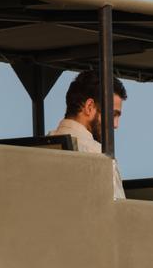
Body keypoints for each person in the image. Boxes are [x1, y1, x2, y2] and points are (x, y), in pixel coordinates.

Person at [49, 70, 128, 198]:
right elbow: (118, 215)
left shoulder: (44, 146)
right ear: (89, 107)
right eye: (113, 114)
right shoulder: (98, 156)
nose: (115, 124)